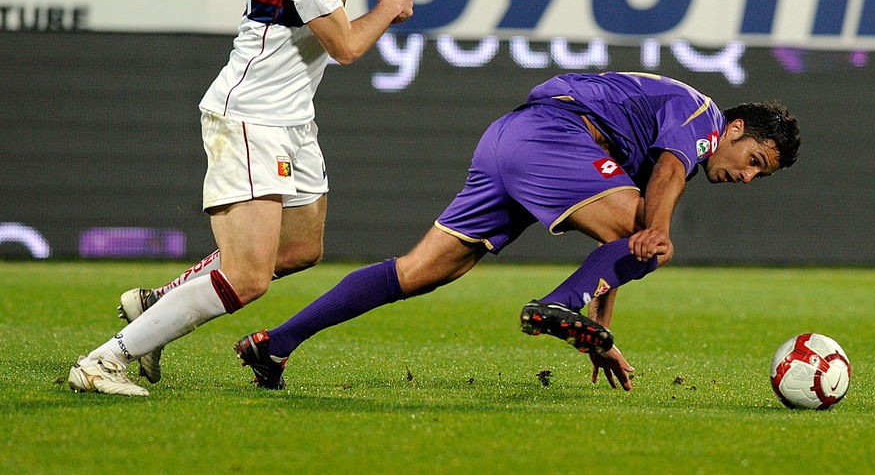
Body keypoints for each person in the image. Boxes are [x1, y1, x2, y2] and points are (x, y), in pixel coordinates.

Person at [67, 0, 415, 397]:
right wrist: (388, 8)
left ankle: (156, 304)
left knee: (302, 247)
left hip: (292, 115)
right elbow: (345, 45)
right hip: (251, 113)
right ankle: (105, 360)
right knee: (249, 277)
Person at [233, 72, 801, 392]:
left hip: (508, 139)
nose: (747, 176)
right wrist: (656, 230)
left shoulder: (675, 135)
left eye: (760, 175)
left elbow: (617, 249)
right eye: (753, 158)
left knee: (417, 272)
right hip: (555, 136)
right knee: (654, 241)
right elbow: (667, 182)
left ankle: (274, 345)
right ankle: (552, 304)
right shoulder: (701, 115)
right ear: (737, 127)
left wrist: (599, 333)